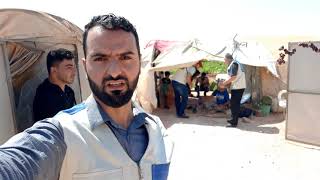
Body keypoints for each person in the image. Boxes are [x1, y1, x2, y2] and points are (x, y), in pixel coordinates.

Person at [0, 13, 173, 180]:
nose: (114, 72)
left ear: (139, 62)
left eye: (125, 57)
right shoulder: (62, 134)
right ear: (85, 66)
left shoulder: (156, 130)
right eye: (100, 58)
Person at [33, 49, 76, 122]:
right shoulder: (44, 95)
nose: (74, 72)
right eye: (69, 67)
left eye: (74, 67)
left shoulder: (69, 91)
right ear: (53, 70)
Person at [219, 53, 246, 127]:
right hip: (238, 87)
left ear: (228, 59)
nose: (224, 61)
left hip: (238, 87)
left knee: (235, 105)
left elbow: (233, 77)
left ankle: (234, 122)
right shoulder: (235, 64)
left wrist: (224, 83)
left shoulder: (234, 64)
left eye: (224, 59)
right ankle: (233, 119)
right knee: (234, 104)